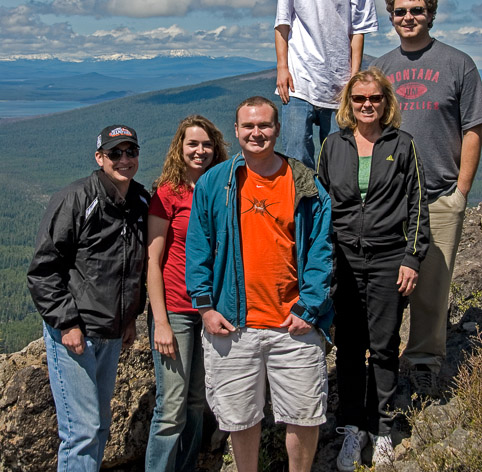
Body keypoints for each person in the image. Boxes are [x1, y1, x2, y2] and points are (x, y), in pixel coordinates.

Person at [185, 96, 333, 472]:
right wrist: (205, 306)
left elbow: (321, 249)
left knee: (304, 416)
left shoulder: (303, 181)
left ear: (277, 129)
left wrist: (310, 308)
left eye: (264, 125)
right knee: (240, 419)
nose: (256, 133)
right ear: (236, 132)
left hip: (293, 324)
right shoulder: (216, 183)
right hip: (234, 324)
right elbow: (198, 247)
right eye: (248, 126)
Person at [317, 68, 429, 472]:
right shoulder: (333, 145)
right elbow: (322, 204)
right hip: (344, 260)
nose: (367, 105)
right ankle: (352, 427)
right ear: (349, 103)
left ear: (386, 103)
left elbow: (418, 202)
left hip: (388, 258)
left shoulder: (402, 145)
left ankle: (381, 429)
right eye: (359, 99)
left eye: (374, 99)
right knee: (347, 346)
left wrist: (412, 257)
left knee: (383, 346)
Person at [375, 0, 482, 395]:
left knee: (432, 287)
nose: (408, 18)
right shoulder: (382, 68)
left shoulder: (458, 64)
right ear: (391, 18)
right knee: (385, 286)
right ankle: (381, 361)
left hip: (439, 193)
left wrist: (461, 192)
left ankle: (423, 361)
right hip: (389, 199)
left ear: (431, 14)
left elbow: (474, 128)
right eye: (400, 12)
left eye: (416, 10)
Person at [27, 125, 149, 472]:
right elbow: (43, 270)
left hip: (111, 332)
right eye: (115, 153)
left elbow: (134, 268)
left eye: (131, 152)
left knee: (99, 427)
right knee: (81, 431)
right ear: (100, 158)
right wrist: (67, 323)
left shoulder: (139, 201)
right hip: (75, 333)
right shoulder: (76, 198)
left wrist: (130, 317)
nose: (124, 159)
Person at [145, 115, 229, 472]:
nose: (200, 151)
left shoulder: (224, 189)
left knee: (197, 401)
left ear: (216, 148)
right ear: (180, 148)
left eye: (206, 144)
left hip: (210, 308)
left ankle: (186, 467)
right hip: (176, 309)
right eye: (192, 144)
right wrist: (160, 322)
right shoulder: (167, 194)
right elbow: (153, 259)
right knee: (171, 407)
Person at [275, 0, 378, 168]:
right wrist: (282, 68)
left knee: (340, 159)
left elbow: (358, 30)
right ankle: (305, 210)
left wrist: (354, 77)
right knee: (297, 157)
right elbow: (282, 22)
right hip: (299, 81)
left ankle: (334, 210)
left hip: (339, 83)